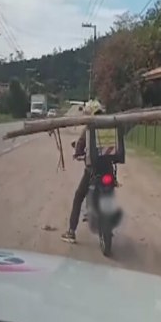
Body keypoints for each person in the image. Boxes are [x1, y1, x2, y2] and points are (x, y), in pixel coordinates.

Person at [61, 101, 102, 244]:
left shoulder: (89, 128)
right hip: (108, 168)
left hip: (92, 169)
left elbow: (80, 145)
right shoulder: (110, 125)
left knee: (78, 196)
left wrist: (77, 152)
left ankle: (71, 232)